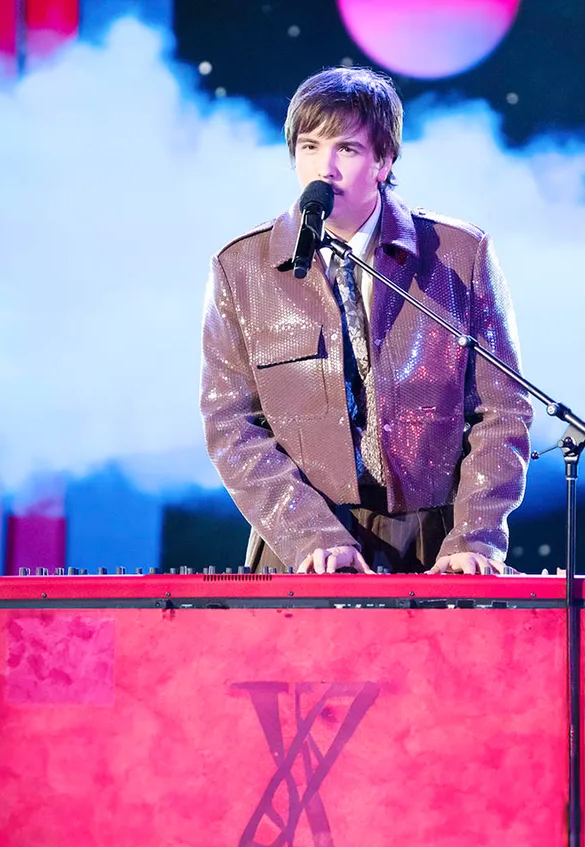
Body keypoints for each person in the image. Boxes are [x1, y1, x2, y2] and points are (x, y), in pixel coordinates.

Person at [199, 66, 532, 575]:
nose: (323, 169)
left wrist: (476, 537)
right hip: (302, 550)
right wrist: (308, 533)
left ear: (384, 159)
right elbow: (230, 424)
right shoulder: (243, 267)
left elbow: (503, 409)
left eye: (346, 150)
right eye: (309, 147)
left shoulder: (458, 255)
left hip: (438, 547)